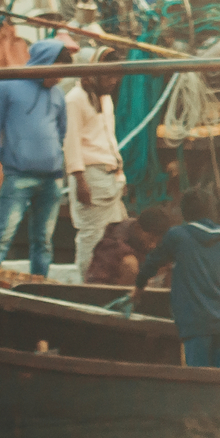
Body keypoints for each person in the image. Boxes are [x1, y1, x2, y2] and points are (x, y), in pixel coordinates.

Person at [0, 39, 71, 283]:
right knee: (2, 236)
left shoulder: (59, 95)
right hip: (18, 174)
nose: (59, 78)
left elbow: (61, 131)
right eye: (58, 70)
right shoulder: (6, 87)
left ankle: (40, 289)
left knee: (43, 240)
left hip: (52, 179)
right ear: (45, 63)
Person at [135, 188, 220, 368]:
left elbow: (151, 264)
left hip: (196, 324)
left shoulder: (177, 235)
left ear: (184, 212)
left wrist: (138, 288)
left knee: (198, 383)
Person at [64, 53, 125, 280]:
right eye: (108, 75)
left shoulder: (104, 99)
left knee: (115, 235)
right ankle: (86, 286)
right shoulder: (75, 99)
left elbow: (109, 138)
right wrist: (80, 181)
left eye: (115, 76)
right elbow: (71, 143)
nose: (113, 81)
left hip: (110, 176)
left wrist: (120, 174)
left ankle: (107, 282)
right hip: (91, 176)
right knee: (91, 237)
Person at [86, 207, 173, 286]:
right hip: (104, 291)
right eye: (150, 239)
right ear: (138, 229)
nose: (153, 245)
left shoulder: (152, 240)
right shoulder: (116, 240)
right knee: (130, 264)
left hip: (138, 285)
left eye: (157, 242)